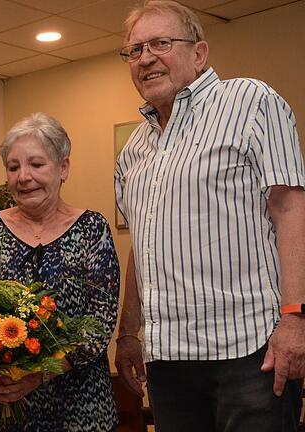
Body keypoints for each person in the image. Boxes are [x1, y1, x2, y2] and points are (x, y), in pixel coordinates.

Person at [114, 1, 305, 431]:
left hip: (250, 352)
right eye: (135, 50)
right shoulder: (132, 153)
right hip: (168, 360)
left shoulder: (251, 102)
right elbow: (141, 246)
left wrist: (295, 318)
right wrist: (129, 334)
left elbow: (291, 209)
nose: (145, 58)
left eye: (160, 43)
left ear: (199, 54)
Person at [0, 113, 120, 431]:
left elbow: (99, 323)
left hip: (79, 410)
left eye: (36, 164)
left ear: (64, 168)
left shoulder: (92, 229)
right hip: (1, 407)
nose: (23, 177)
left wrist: (40, 373)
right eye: (13, 167)